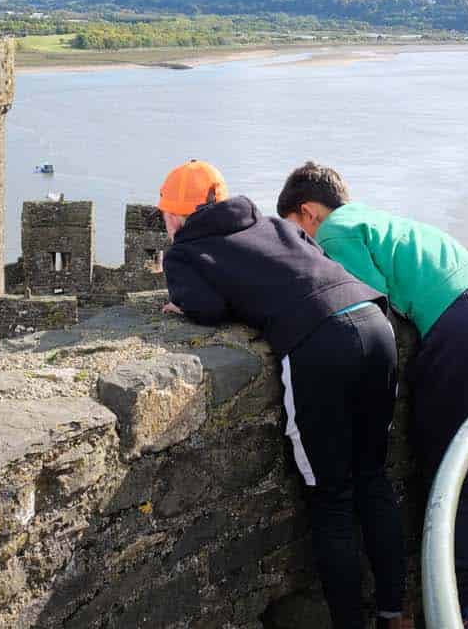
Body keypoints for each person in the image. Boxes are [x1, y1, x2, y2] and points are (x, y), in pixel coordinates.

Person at [158, 160, 411, 629]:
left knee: (331, 496)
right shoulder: (269, 222)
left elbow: (208, 307)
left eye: (166, 216)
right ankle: (394, 613)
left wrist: (181, 300)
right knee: (372, 478)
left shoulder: (186, 250)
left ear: (175, 216)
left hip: (322, 340)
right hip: (375, 322)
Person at [278, 162, 468, 629]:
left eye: (298, 233)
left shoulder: (334, 233)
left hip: (460, 327)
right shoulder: (380, 220)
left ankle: (467, 606)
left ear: (309, 212)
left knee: (453, 470)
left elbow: (361, 307)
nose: (305, 247)